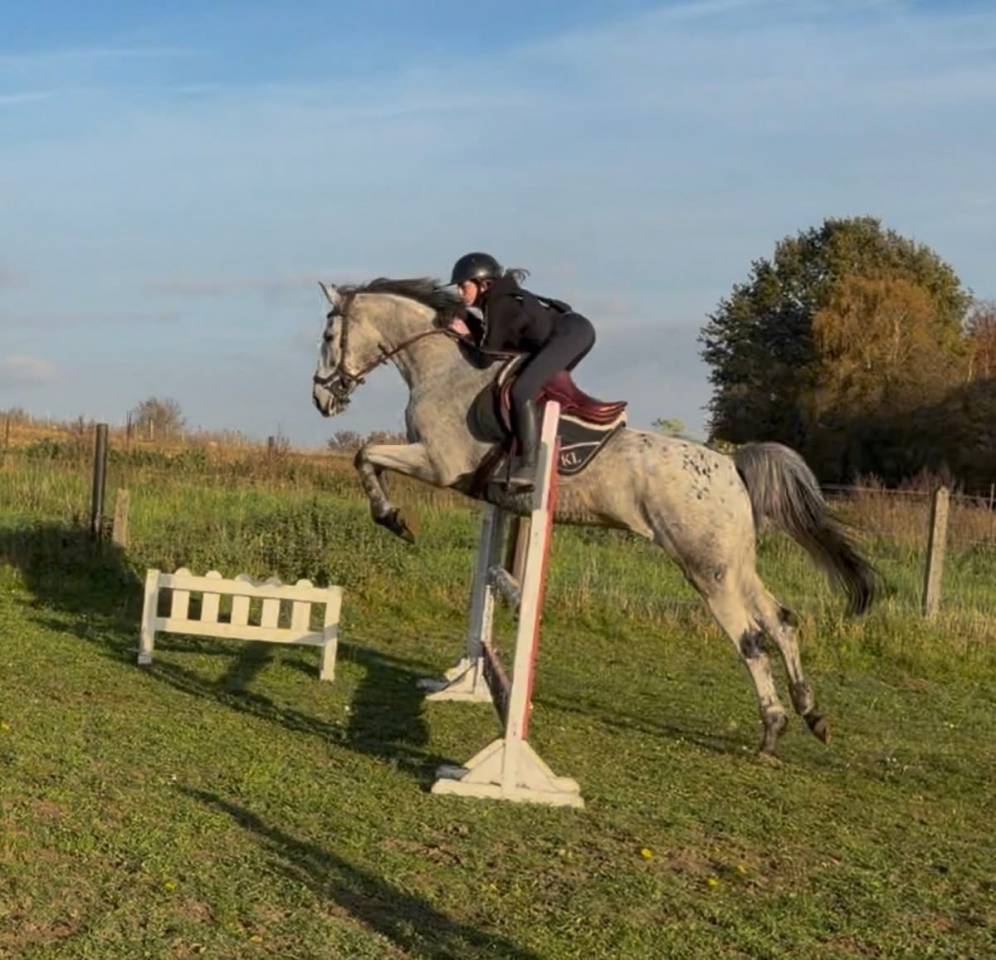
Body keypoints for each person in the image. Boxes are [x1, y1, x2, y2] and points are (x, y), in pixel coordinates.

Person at [449, 252, 596, 489]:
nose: (459, 293)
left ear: (483, 284)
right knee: (530, 385)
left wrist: (463, 337)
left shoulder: (499, 303)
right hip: (568, 333)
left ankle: (529, 466)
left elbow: (484, 359)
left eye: (463, 286)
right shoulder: (496, 302)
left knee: (522, 390)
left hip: (573, 333)